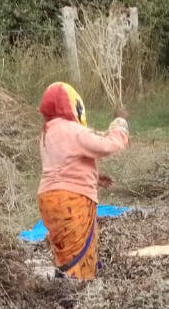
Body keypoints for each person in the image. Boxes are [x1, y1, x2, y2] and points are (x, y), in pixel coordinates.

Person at [36, 82, 128, 281]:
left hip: (48, 202)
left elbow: (64, 166)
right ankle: (74, 298)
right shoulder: (72, 130)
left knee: (65, 251)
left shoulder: (46, 133)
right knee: (77, 258)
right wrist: (120, 122)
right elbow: (108, 145)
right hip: (71, 203)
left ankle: (63, 282)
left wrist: (93, 177)